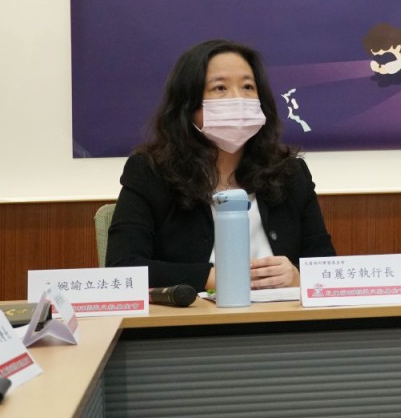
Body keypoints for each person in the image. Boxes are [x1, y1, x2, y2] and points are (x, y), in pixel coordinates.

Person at [106, 39, 335, 290]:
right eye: (220, 88)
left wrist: (298, 277)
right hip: (192, 314)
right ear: (188, 105)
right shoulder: (150, 172)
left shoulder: (290, 173)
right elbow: (123, 267)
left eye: (247, 87)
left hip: (280, 312)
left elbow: (325, 266)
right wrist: (217, 278)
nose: (238, 98)